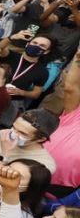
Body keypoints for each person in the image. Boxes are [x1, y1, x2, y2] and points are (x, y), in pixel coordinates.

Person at [0, 109, 58, 176]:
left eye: (22, 133)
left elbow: (2, 183)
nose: (13, 134)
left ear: (41, 139)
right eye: (14, 127)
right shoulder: (2, 134)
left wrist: (4, 154)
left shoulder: (44, 164)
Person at [44, 50, 80, 190]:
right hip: (31, 168)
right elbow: (71, 87)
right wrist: (78, 60)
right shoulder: (76, 112)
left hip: (62, 191)